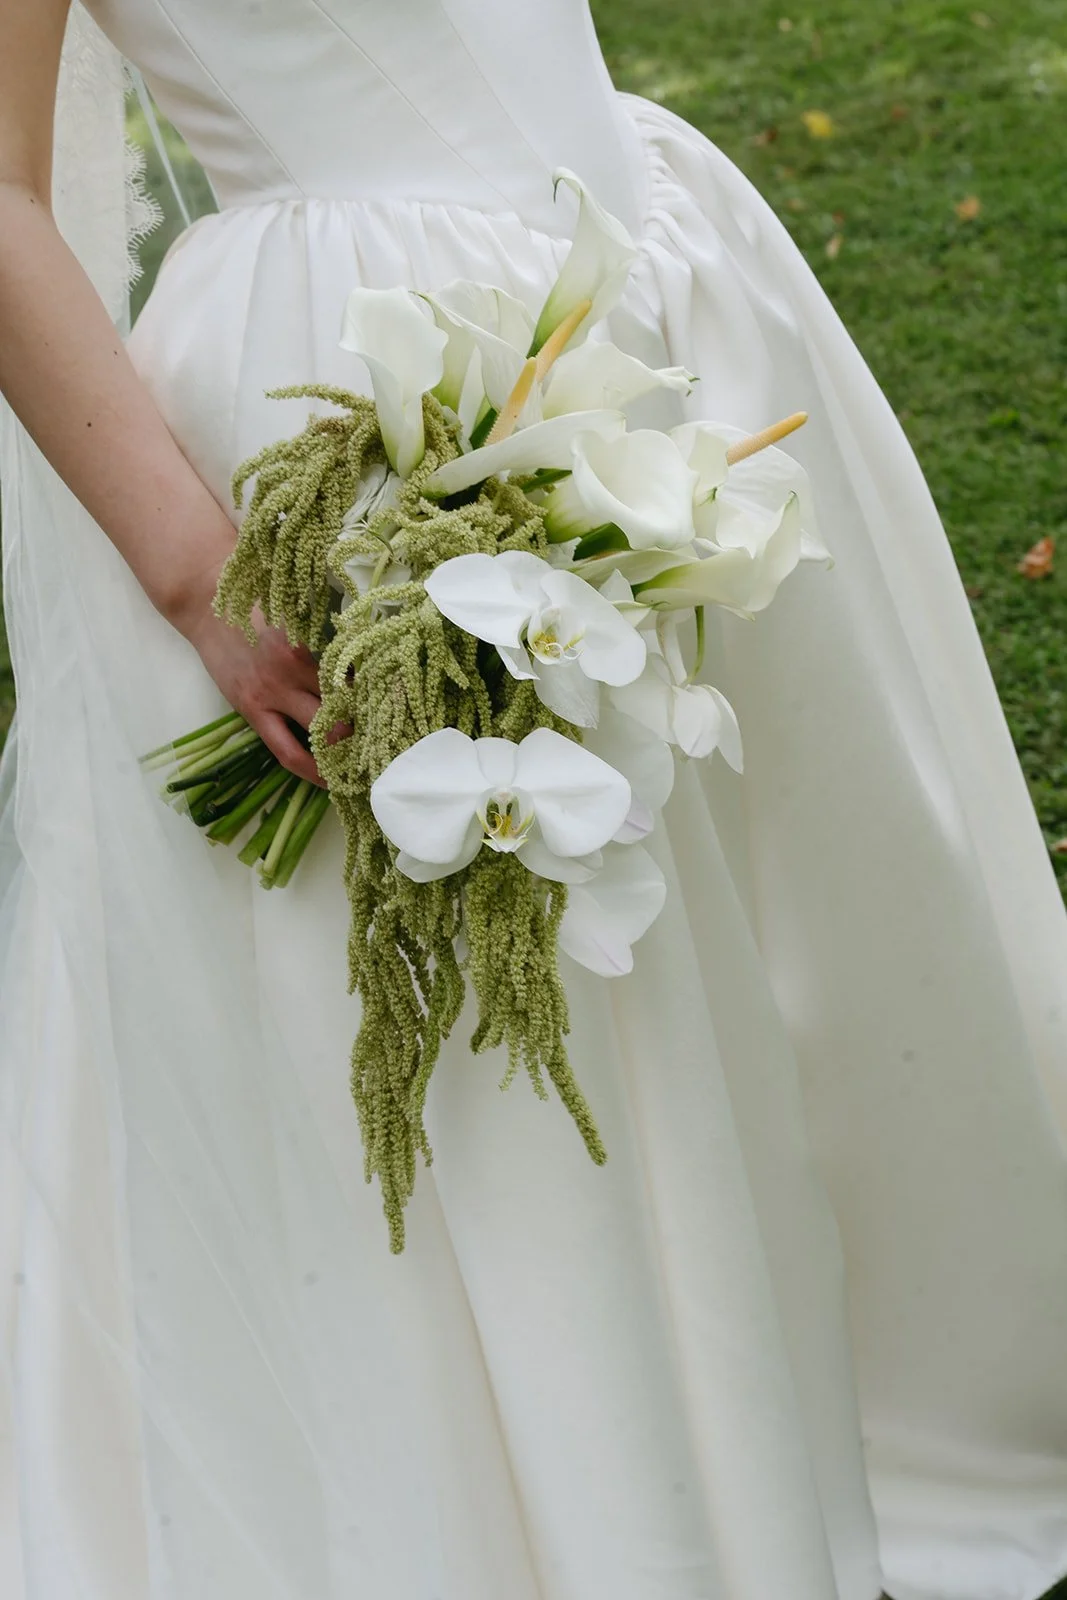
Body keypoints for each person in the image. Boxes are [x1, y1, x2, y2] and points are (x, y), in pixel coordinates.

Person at [2, 3, 1067, 1597]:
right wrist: (197, 572)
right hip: (373, 396)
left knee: (779, 913)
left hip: (640, 286)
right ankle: (581, 1505)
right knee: (526, 1027)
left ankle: (850, 1388)